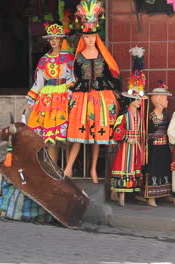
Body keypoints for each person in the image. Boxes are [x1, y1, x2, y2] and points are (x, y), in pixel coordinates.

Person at [64, 0, 120, 183]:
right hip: (82, 98)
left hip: (101, 98)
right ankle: (68, 168)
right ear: (83, 38)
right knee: (79, 136)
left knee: (97, 137)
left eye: (93, 37)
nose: (90, 40)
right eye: (87, 37)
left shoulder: (103, 56)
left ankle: (94, 170)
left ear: (97, 37)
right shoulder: (78, 57)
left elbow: (112, 73)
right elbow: (75, 77)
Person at [26, 22, 74, 162]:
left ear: (61, 40)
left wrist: (70, 94)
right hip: (47, 99)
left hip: (64, 96)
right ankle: (53, 170)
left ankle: (68, 170)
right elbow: (39, 83)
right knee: (49, 137)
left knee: (67, 135)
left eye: (56, 38)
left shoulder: (69, 57)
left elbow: (72, 79)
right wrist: (31, 99)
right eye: (51, 38)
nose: (53, 41)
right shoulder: (44, 59)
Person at [110, 82, 148, 206]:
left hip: (136, 147)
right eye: (137, 99)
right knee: (124, 167)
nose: (139, 102)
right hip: (126, 148)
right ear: (131, 100)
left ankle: (133, 194)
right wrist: (127, 138)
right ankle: (120, 196)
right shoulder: (124, 115)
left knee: (135, 168)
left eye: (140, 99)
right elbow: (117, 132)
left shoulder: (139, 115)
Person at [138, 82, 173, 207]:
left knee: (164, 169)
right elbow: (146, 133)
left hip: (164, 148)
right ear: (158, 100)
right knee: (153, 171)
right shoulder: (149, 117)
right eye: (165, 99)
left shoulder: (166, 116)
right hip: (153, 148)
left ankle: (165, 193)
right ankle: (150, 197)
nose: (168, 101)